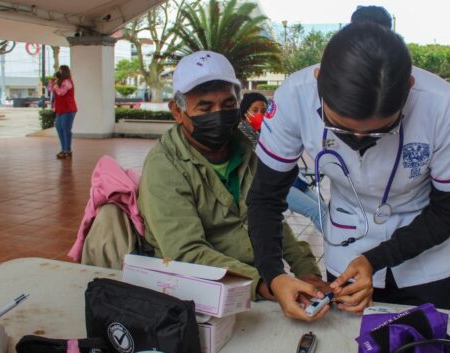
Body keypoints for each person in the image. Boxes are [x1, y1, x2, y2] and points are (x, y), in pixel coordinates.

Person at [247, 23, 450, 321]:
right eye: (340, 128)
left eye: (379, 132)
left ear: (408, 89)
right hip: (348, 245)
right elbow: (265, 199)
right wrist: (274, 274)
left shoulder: (443, 104)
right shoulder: (295, 96)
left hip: (431, 259)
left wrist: (375, 259)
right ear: (319, 81)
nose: (357, 142)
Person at [138, 51, 325, 301]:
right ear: (177, 111)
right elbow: (186, 253)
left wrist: (307, 273)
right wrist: (266, 284)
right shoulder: (164, 166)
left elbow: (270, 218)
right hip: (198, 292)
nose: (218, 115)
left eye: (228, 105)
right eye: (205, 108)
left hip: (256, 282)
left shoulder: (248, 146)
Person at [239, 92, 326, 232]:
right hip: (271, 185)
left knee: (323, 209)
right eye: (254, 110)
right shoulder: (241, 135)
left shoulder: (267, 130)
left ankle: (339, 247)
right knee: (318, 212)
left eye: (263, 110)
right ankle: (344, 251)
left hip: (292, 179)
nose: (259, 114)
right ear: (244, 113)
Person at [51, 65, 78, 159]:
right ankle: (63, 149)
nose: (59, 72)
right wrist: (52, 81)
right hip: (60, 109)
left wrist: (54, 86)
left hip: (68, 109)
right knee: (59, 128)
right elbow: (49, 89)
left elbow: (61, 92)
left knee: (66, 129)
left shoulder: (68, 82)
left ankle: (67, 150)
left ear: (65, 72)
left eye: (60, 71)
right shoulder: (58, 82)